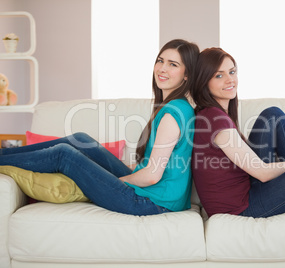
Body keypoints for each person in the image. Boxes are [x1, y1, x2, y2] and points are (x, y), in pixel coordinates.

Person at [0, 39, 200, 216]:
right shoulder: (173, 106)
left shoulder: (173, 113)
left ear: (186, 76)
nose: (162, 68)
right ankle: (4, 154)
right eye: (160, 60)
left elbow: (152, 175)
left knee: (64, 154)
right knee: (82, 140)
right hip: (154, 196)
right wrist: (107, 174)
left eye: (172, 64)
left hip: (152, 203)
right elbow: (151, 166)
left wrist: (112, 181)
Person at [191, 47, 285, 218]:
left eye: (232, 72)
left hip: (246, 189)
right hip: (240, 207)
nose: (230, 80)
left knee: (273, 115)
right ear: (204, 82)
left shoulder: (211, 113)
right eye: (219, 75)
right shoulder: (215, 120)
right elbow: (262, 173)